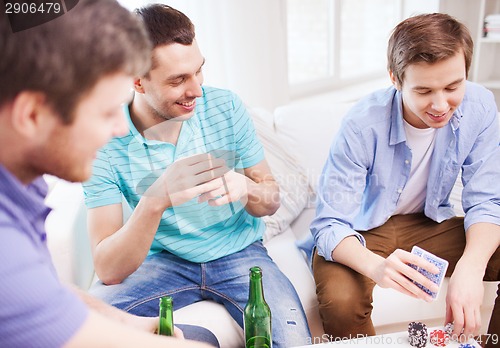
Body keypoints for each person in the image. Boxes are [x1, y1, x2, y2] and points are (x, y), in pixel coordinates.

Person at [81, 3, 311, 347]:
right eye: (178, 80)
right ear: (137, 81)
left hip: (241, 254)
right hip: (162, 262)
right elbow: (108, 269)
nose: (197, 90)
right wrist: (155, 200)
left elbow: (271, 200)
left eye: (198, 71)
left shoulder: (225, 107)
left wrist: (248, 188)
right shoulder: (105, 140)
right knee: (87, 327)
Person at [0, 1, 212, 347]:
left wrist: (123, 320)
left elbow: (43, 288)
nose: (118, 128)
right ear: (32, 115)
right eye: (106, 112)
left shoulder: (21, 181)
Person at [310, 12, 500, 347]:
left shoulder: (480, 105)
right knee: (340, 299)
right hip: (361, 233)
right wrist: (378, 267)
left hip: (429, 225)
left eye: (453, 86)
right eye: (424, 90)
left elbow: (487, 200)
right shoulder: (361, 124)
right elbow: (329, 224)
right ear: (395, 80)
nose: (441, 104)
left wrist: (471, 268)